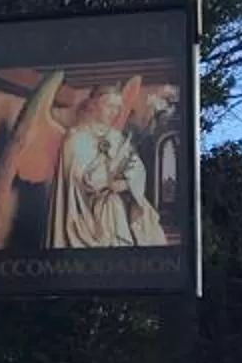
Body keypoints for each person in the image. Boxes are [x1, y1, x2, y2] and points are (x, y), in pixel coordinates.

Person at [50, 81, 167, 249]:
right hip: (84, 216)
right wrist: (106, 180)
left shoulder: (117, 137)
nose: (115, 112)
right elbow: (77, 181)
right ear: (94, 105)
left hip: (116, 210)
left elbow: (136, 167)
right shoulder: (76, 138)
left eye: (118, 108)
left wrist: (126, 183)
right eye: (110, 106)